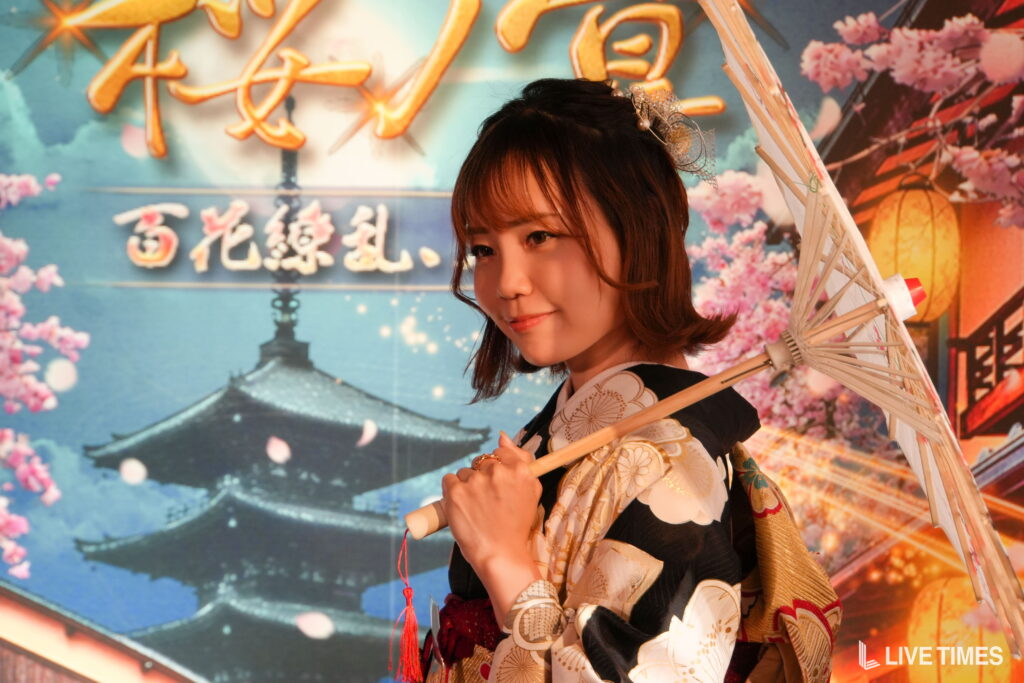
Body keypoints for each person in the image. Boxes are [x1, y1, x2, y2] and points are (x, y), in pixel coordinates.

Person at [422, 78, 840, 683]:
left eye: (539, 236)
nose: (506, 282)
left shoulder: (668, 461)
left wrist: (505, 563)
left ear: (638, 229)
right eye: (484, 249)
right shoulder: (577, 434)